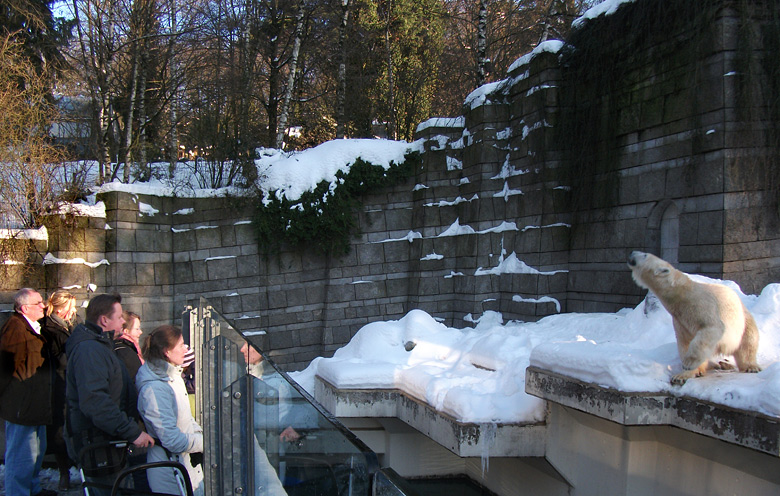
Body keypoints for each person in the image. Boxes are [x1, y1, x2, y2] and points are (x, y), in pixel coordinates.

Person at [65, 294, 154, 494]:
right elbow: (95, 402)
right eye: (119, 316)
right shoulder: (89, 350)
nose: (123, 321)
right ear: (104, 320)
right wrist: (131, 431)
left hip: (108, 442)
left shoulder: (100, 345)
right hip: (98, 444)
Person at [136, 325, 204, 496]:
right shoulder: (154, 389)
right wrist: (207, 443)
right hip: (169, 470)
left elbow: (186, 419)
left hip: (184, 463)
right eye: (181, 345)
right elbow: (171, 439)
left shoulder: (172, 376)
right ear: (167, 351)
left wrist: (200, 434)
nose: (186, 349)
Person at [0, 288, 56, 496]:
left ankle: (33, 489)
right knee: (20, 455)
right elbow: (5, 367)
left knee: (35, 452)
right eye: (39, 303)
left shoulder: (31, 327)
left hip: (34, 404)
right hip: (21, 406)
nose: (43, 306)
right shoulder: (15, 329)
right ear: (25, 308)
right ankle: (18, 492)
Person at [40, 289, 77, 491]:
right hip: (58, 384)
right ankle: (64, 472)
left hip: (72, 382)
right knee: (59, 431)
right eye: (70, 308)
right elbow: (58, 359)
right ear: (62, 309)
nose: (73, 312)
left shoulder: (72, 325)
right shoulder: (48, 329)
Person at [114, 311, 144, 380]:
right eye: (137, 329)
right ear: (126, 331)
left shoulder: (124, 346)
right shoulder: (126, 353)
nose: (140, 332)